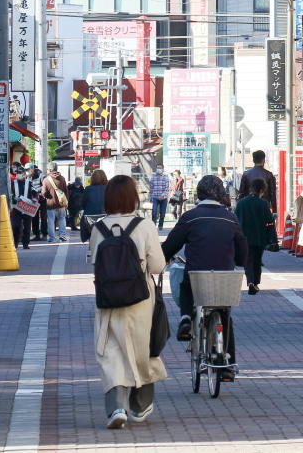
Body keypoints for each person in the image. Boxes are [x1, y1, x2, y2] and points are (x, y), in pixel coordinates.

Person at [89, 175, 167, 429]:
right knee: (140, 349)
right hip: (139, 299)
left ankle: (116, 407)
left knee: (110, 352)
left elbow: (95, 265)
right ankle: (141, 405)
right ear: (133, 198)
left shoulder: (98, 228)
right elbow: (157, 265)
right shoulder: (144, 226)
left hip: (108, 299)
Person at [161, 175, 247, 372]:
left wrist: (164, 256)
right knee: (224, 313)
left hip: (197, 275)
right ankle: (227, 365)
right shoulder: (230, 218)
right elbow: (242, 251)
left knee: (186, 285)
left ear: (199, 193)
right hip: (224, 278)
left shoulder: (191, 217)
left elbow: (171, 245)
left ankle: (185, 318)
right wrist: (239, 260)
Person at [234, 178, 272, 295]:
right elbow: (269, 221)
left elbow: (235, 219)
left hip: (244, 238)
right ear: (262, 190)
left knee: (248, 261)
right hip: (260, 238)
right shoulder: (264, 204)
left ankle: (250, 281)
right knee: (257, 261)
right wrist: (272, 239)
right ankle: (255, 283)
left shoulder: (241, 203)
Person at [237, 150, 278, 215]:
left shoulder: (246, 174)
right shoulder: (269, 175)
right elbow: (272, 194)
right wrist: (275, 211)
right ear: (263, 160)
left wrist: (239, 208)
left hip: (248, 207)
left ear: (253, 160)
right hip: (264, 207)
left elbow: (241, 193)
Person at [41, 162, 69, 243]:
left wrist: (46, 196)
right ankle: (62, 235)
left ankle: (52, 239)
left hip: (50, 203)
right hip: (61, 202)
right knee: (62, 218)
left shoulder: (46, 180)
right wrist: (66, 201)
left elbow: (44, 192)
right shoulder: (62, 178)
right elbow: (66, 191)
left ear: (49, 169)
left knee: (51, 220)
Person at [9, 167, 36, 250]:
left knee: (27, 227)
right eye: (17, 173)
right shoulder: (13, 183)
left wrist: (35, 199)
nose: (18, 174)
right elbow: (9, 194)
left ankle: (25, 243)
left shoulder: (29, 183)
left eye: (20, 173)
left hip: (27, 207)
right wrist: (14, 198)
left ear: (24, 174)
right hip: (17, 208)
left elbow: (34, 192)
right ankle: (16, 242)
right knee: (16, 226)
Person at [80, 169, 108, 243]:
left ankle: (91, 251)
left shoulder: (88, 189)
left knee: (91, 236)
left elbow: (83, 204)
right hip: (106, 218)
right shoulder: (109, 188)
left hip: (90, 220)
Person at [149, 165, 170, 230]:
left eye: (160, 168)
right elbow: (151, 188)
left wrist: (163, 195)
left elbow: (166, 188)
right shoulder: (153, 178)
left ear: (163, 169)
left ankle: (160, 225)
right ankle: (153, 225)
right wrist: (150, 197)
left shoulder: (165, 178)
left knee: (162, 213)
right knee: (154, 211)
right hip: (155, 197)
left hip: (163, 198)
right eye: (157, 168)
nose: (158, 169)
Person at [28, 165, 46, 240]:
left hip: (42, 199)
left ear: (32, 169)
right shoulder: (27, 177)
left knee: (43, 217)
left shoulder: (41, 176)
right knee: (34, 217)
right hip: (33, 200)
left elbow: (45, 186)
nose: (27, 171)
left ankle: (44, 234)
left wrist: (36, 190)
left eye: (28, 169)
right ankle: (37, 234)